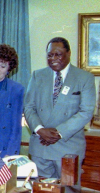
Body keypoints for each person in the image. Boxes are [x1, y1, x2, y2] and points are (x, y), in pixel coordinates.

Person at [24, 37, 95, 179]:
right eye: (50, 55)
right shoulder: (38, 75)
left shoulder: (84, 78)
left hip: (68, 147)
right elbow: (29, 107)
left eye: (58, 54)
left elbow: (86, 112)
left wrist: (59, 133)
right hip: (40, 148)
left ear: (68, 54)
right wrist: (40, 130)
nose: (53, 58)